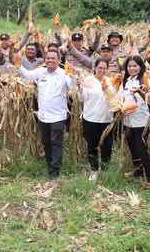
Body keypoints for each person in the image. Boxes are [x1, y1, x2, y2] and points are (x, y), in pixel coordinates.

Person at [19, 49, 76, 180]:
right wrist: (18, 65)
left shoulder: (63, 74)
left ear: (59, 60)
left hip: (58, 116)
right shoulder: (41, 72)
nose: (50, 60)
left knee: (56, 142)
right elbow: (27, 75)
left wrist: (72, 74)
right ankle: (50, 165)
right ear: (45, 60)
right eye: (48, 58)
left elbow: (72, 86)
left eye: (53, 58)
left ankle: (54, 172)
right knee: (46, 142)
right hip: (43, 116)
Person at [119, 55, 150, 185]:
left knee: (141, 148)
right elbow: (120, 99)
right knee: (132, 147)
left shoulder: (146, 81)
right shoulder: (126, 82)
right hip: (128, 120)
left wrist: (141, 92)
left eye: (135, 66)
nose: (132, 68)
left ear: (140, 67)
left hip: (141, 120)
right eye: (129, 66)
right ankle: (139, 170)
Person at [78, 58, 118, 181]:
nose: (102, 70)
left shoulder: (112, 82)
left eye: (104, 68)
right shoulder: (88, 81)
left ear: (107, 69)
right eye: (99, 68)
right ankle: (94, 170)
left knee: (107, 146)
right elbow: (82, 98)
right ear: (95, 68)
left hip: (107, 119)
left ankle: (105, 170)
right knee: (92, 146)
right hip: (91, 118)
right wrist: (80, 89)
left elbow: (115, 100)